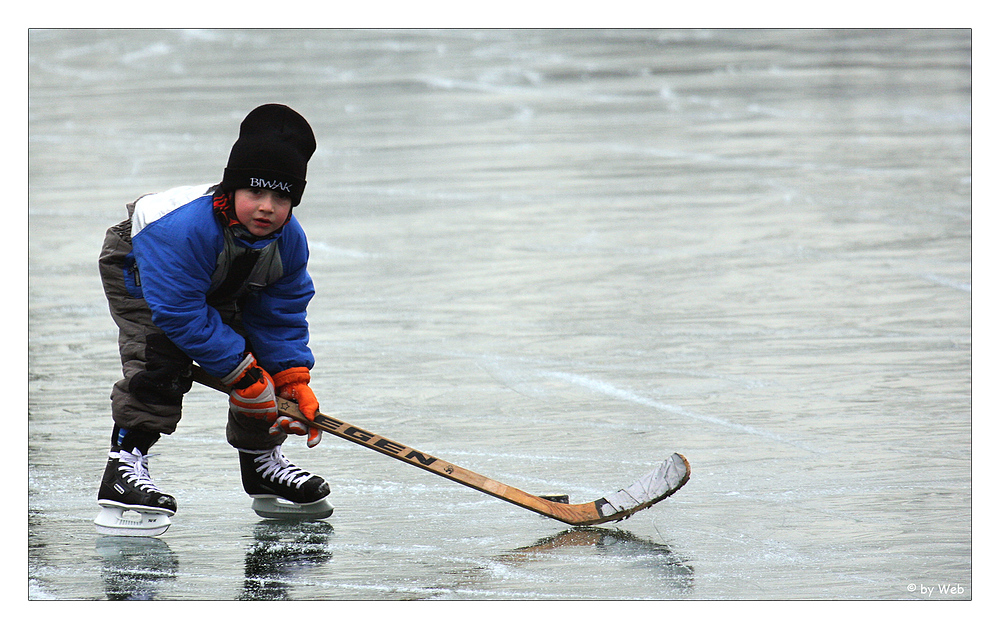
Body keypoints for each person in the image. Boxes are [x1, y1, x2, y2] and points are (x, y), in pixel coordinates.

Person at [94, 104, 332, 536]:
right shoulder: (183, 228)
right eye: (255, 193)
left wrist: (290, 378)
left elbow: (279, 315)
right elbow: (179, 313)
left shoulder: (288, 242)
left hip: (220, 271)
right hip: (143, 265)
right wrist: (242, 376)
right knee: (162, 352)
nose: (267, 207)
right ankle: (124, 465)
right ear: (232, 187)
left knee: (260, 366)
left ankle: (261, 461)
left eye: (282, 198)